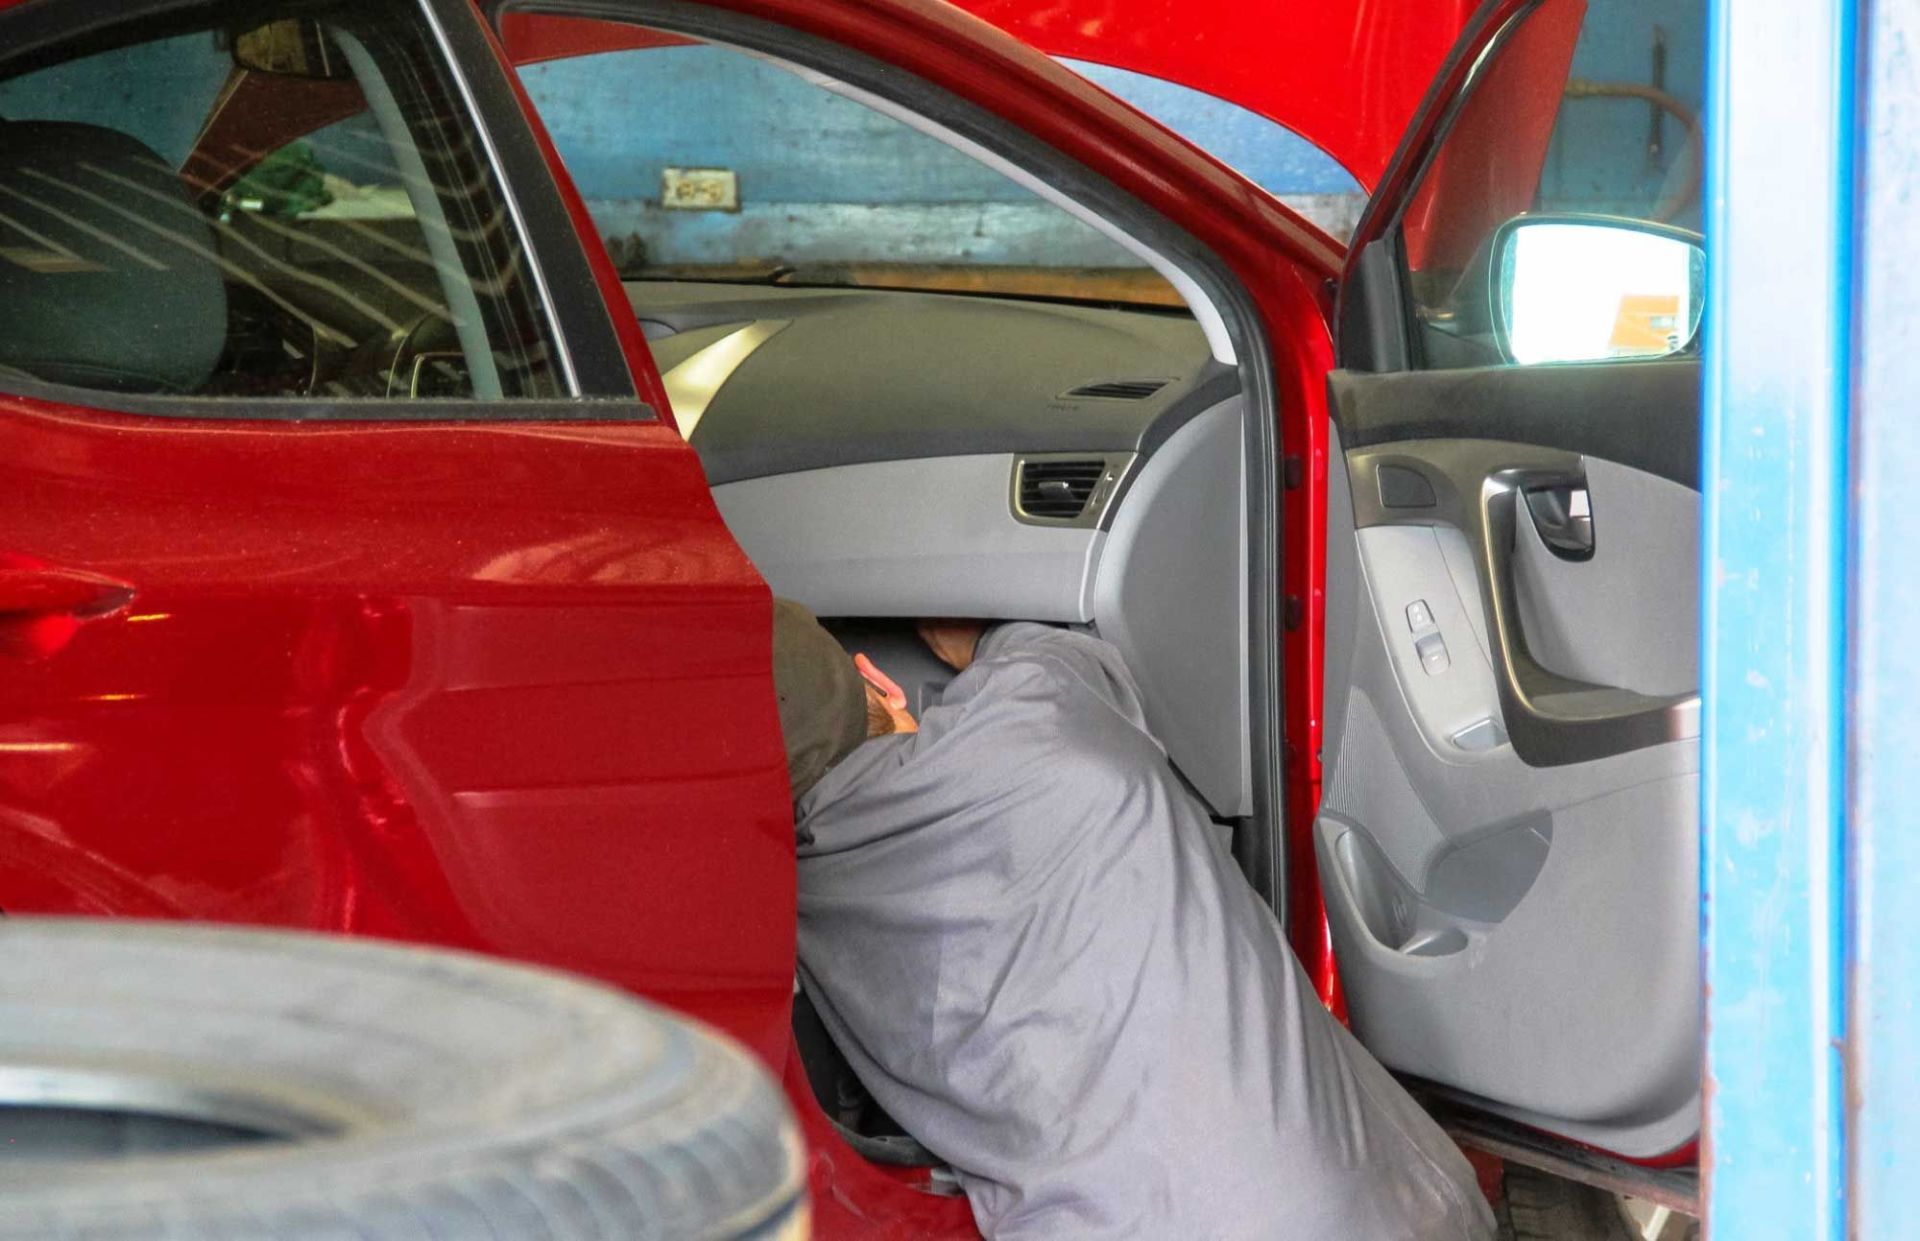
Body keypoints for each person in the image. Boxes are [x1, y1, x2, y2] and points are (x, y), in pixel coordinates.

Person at [770, 600, 1495, 1240]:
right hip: (1375, 1211)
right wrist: (979, 634)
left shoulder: (785, 909)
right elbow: (1067, 651)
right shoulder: (1033, 717)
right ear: (880, 681)